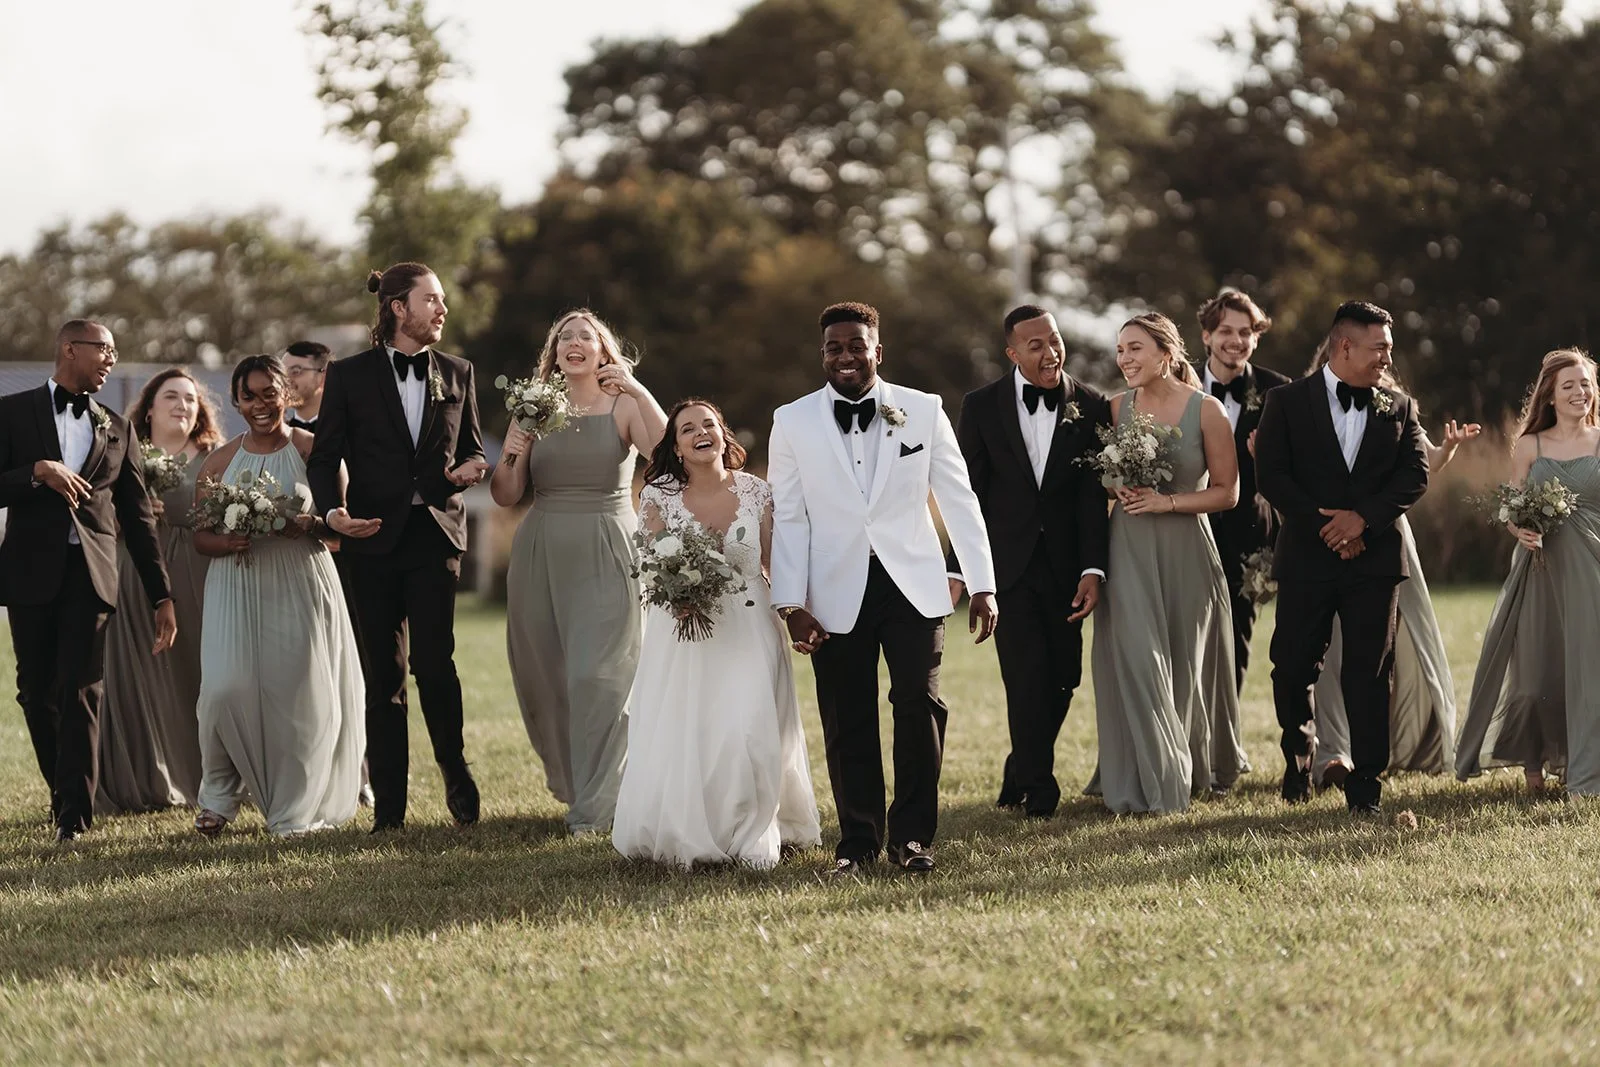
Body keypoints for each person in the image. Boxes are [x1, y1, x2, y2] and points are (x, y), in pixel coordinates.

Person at [768, 301, 998, 876]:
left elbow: (959, 498)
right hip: (832, 588)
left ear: (877, 349)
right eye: (833, 347)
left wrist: (981, 584)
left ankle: (914, 838)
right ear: (822, 354)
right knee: (847, 716)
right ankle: (859, 842)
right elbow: (790, 517)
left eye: (855, 345)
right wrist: (791, 604)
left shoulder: (923, 410)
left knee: (918, 704)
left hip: (912, 584)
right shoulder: (791, 421)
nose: (845, 356)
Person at [307, 263, 490, 832]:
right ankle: (389, 808)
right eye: (431, 299)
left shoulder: (459, 372)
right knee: (382, 674)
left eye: (442, 300)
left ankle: (454, 771)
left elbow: (474, 450)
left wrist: (472, 469)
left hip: (435, 538)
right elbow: (323, 457)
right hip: (371, 540)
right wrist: (333, 514)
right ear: (397, 308)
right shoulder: (348, 376)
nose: (441, 309)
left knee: (435, 664)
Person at [612, 399, 821, 867]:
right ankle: (695, 826)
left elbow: (775, 564)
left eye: (709, 424)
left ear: (725, 435)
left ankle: (752, 832)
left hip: (750, 624)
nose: (701, 432)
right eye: (688, 429)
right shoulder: (657, 496)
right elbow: (649, 566)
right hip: (684, 630)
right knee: (695, 729)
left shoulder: (756, 492)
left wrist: (797, 611)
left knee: (749, 725)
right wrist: (677, 589)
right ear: (677, 447)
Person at [490, 308, 666, 834]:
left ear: (601, 349)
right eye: (564, 336)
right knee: (548, 677)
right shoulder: (533, 409)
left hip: (608, 546)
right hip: (541, 549)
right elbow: (505, 495)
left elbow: (664, 453)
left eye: (584, 336)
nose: (573, 342)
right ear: (554, 354)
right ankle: (574, 785)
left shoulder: (623, 404)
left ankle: (599, 804)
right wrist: (512, 453)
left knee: (600, 677)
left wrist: (638, 389)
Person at [0, 320, 175, 842]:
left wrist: (161, 593)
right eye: (104, 349)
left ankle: (74, 818)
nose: (111, 360)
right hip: (29, 572)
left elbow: (140, 519)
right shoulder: (11, 412)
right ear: (70, 349)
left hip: (93, 577)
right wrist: (37, 471)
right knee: (36, 692)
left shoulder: (117, 427)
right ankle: (63, 795)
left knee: (81, 690)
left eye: (117, 352)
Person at [1255, 301, 1428, 814]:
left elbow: (1415, 474)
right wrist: (1326, 525)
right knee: (1290, 667)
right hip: (1308, 558)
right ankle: (1298, 758)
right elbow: (1272, 476)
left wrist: (1363, 521)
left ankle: (1366, 787)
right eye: (1380, 348)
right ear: (1345, 346)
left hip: (1374, 564)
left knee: (1370, 672)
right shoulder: (1285, 402)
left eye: (1389, 349)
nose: (1386, 358)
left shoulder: (1399, 406)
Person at [191, 355, 365, 836]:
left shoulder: (316, 452)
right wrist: (227, 540)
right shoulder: (219, 461)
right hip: (236, 581)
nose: (260, 404)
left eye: (270, 392)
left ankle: (293, 810)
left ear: (288, 395)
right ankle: (219, 794)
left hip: (300, 580)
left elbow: (338, 532)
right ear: (235, 401)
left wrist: (306, 524)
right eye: (249, 396)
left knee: (299, 699)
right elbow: (199, 537)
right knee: (223, 691)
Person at [949, 304, 1110, 819]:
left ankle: (1021, 762)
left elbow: (1090, 498)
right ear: (1012, 352)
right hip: (1007, 568)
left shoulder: (1093, 405)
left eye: (1055, 339)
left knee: (1064, 677)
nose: (1050, 351)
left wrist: (1093, 568)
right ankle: (1040, 791)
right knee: (1024, 676)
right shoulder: (980, 406)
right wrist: (963, 569)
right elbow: (967, 493)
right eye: (1036, 344)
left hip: (1066, 567)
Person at [1088, 312, 1245, 814]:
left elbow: (1228, 493)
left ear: (1165, 353)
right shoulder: (1113, 409)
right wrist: (1117, 483)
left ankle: (1187, 765)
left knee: (1182, 664)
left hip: (1186, 551)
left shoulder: (1208, 411)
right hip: (1128, 548)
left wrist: (1167, 502)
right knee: (1137, 658)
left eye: (1135, 348)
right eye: (1120, 350)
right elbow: (1103, 483)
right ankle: (1152, 778)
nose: (1125, 359)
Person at [1309, 357, 1480, 789]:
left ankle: (1405, 739)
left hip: (1388, 532)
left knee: (1399, 638)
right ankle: (1332, 754)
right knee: (1330, 647)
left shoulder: (1398, 408)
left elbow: (1423, 465)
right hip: (1326, 533)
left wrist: (1449, 449)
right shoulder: (1307, 406)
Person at [1457, 348, 1600, 794]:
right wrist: (1517, 527)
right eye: (1569, 385)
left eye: (1586, 383)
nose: (1580, 391)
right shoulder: (1530, 447)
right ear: (1550, 397)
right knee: (1536, 675)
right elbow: (1512, 507)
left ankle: (1587, 772)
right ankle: (1533, 759)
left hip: (1593, 569)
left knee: (1590, 669)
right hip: (1541, 571)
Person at [98, 368, 224, 813]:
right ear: (148, 408)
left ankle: (215, 776)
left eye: (191, 399)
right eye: (171, 396)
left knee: (203, 675)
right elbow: (97, 512)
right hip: (137, 575)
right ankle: (156, 778)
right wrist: (126, 514)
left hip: (202, 575)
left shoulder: (216, 456)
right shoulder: (124, 453)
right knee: (146, 676)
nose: (182, 405)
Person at [1196, 290, 1293, 695]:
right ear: (1206, 336)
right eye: (1225, 331)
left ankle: (1226, 741)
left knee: (1236, 637)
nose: (1235, 340)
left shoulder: (1280, 392)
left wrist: (1265, 460)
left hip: (1250, 534)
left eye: (1246, 332)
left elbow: (1294, 472)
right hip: (1187, 528)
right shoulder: (1176, 384)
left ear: (1256, 338)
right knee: (1186, 637)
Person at [284, 341, 331, 432]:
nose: (286, 379)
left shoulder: (349, 430)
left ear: (324, 377)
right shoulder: (278, 435)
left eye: (296, 372)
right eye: (282, 372)